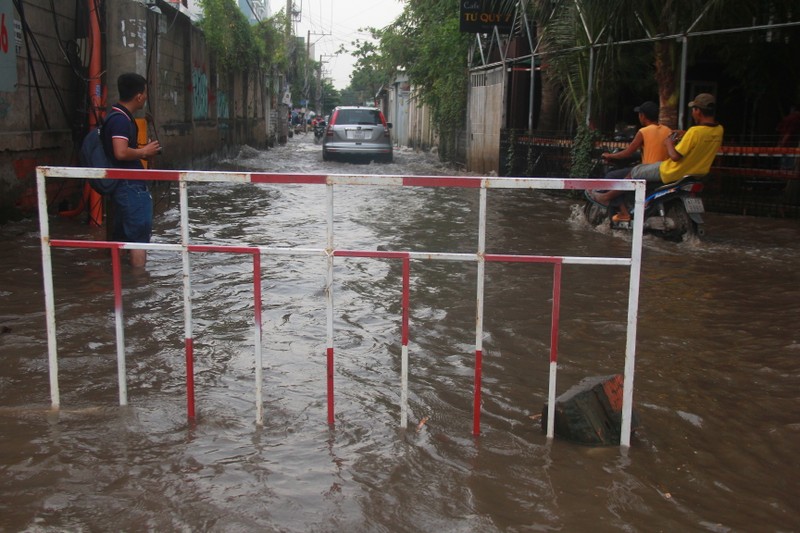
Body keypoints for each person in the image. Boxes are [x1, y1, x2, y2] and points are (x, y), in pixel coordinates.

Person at [592, 93, 724, 222]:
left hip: (671, 171)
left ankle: (607, 197)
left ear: (698, 111)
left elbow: (675, 156)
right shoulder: (719, 130)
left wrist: (669, 143)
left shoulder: (694, 132)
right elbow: (702, 140)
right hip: (695, 174)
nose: (693, 113)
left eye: (694, 110)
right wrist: (685, 133)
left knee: (634, 171)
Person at [102, 72, 161, 267]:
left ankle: (122, 284)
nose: (145, 97)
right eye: (145, 93)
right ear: (139, 96)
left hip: (124, 185)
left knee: (122, 236)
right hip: (130, 187)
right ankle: (140, 286)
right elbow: (120, 152)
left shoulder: (120, 116)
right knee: (139, 238)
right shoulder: (120, 120)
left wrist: (143, 154)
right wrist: (143, 151)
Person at [601, 100, 672, 180]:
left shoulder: (643, 131)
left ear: (642, 116)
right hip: (664, 170)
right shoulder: (668, 130)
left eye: (639, 114)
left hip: (649, 171)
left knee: (611, 176)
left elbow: (627, 153)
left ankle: (604, 193)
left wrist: (610, 155)